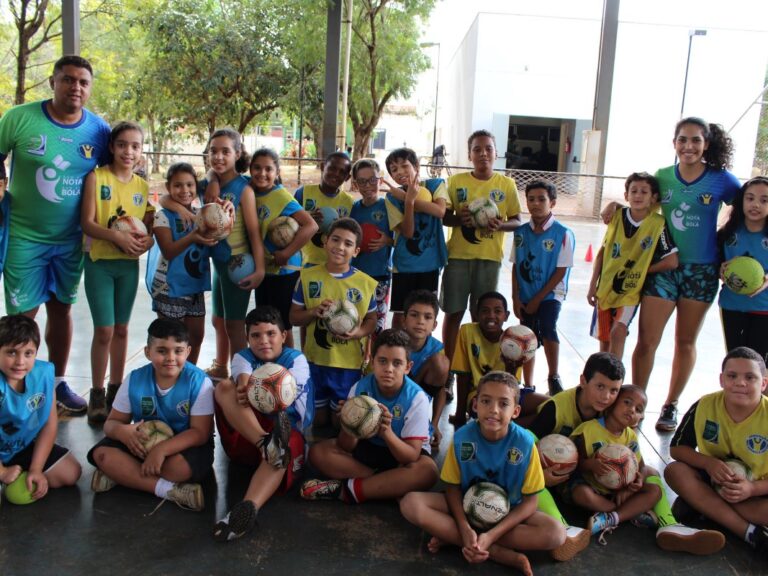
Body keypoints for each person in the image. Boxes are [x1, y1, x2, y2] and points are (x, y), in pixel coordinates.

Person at [602, 118, 741, 432]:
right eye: (682, 140)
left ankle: (671, 404)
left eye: (695, 140)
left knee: (685, 341)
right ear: (674, 143)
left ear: (706, 144)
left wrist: (730, 245)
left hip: (701, 272)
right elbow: (640, 200)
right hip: (664, 269)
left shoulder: (722, 180)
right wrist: (615, 205)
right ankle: (636, 401)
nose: (688, 146)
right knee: (647, 340)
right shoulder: (663, 177)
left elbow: (747, 206)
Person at [0, 55, 111, 414]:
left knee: (61, 309)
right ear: (53, 81)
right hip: (23, 236)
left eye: (83, 82)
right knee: (21, 318)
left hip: (71, 241)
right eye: (68, 79)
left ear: (89, 88)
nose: (75, 87)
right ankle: (15, 390)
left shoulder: (99, 131)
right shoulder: (18, 118)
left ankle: (59, 385)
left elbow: (111, 178)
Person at [400, 371, 565, 575]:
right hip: (466, 506)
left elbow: (531, 502)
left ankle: (461, 541)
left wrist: (492, 534)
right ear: (476, 405)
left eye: (504, 404)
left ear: (516, 411)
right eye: (486, 401)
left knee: (556, 534)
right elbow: (451, 487)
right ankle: (497, 553)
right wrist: (463, 527)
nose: (493, 410)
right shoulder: (462, 438)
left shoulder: (524, 444)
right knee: (410, 504)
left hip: (508, 512)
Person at [163, 129, 266, 381]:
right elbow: (166, 198)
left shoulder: (245, 190)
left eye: (225, 151)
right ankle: (221, 366)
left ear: (237, 154)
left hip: (237, 265)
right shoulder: (206, 185)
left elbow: (254, 233)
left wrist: (260, 269)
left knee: (234, 323)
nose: (218, 157)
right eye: (213, 151)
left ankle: (241, 378)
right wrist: (209, 182)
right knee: (218, 320)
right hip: (218, 265)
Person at [87, 318, 214, 512]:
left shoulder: (199, 382)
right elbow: (110, 424)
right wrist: (123, 432)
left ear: (188, 351)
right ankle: (169, 490)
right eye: (162, 351)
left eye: (178, 351)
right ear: (148, 352)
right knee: (102, 455)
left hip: (182, 447)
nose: (170, 357)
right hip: (140, 445)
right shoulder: (135, 380)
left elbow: (200, 433)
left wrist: (161, 450)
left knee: (179, 468)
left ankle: (122, 474)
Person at [300, 329, 438, 503]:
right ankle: (387, 485)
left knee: (428, 471)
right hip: (369, 449)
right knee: (318, 453)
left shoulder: (416, 398)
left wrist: (386, 432)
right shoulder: (360, 388)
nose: (389, 369)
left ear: (408, 367)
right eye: (382, 361)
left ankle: (346, 491)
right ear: (372, 361)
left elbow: (410, 456)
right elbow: (346, 446)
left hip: (401, 454)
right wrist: (349, 424)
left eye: (397, 363)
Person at [212, 306, 312, 542]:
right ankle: (264, 444)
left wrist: (255, 391)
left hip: (286, 427)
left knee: (281, 447)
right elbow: (243, 380)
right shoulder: (242, 357)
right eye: (255, 335)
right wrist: (245, 387)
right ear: (247, 339)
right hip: (250, 433)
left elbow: (282, 396)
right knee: (224, 387)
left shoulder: (296, 359)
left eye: (270, 334)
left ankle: (245, 511)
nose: (263, 341)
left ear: (284, 336)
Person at [80, 121, 155, 422]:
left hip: (127, 266)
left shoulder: (142, 186)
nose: (128, 151)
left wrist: (148, 239)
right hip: (99, 262)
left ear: (140, 151)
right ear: (112, 146)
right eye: (122, 144)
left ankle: (115, 389)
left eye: (135, 146)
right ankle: (97, 392)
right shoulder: (96, 178)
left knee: (122, 329)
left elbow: (150, 225)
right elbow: (87, 223)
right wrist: (116, 236)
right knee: (104, 330)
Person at [665, 346, 768, 554]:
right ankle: (748, 532)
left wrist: (752, 489)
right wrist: (708, 463)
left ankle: (706, 507)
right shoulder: (705, 405)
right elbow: (677, 448)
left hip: (757, 490)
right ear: (722, 380)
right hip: (712, 481)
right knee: (674, 471)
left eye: (750, 377)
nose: (740, 383)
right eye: (732, 376)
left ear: (764, 383)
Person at [526, 351, 625, 560]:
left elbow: (626, 441)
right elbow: (528, 442)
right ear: (583, 381)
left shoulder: (611, 410)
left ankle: (667, 521)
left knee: (649, 473)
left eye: (614, 390)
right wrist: (542, 473)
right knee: (530, 478)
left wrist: (629, 474)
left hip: (594, 472)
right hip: (559, 474)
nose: (606, 396)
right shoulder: (556, 408)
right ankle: (566, 527)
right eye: (600, 387)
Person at [441, 130, 522, 373]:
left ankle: (477, 369)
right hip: (458, 258)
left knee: (482, 319)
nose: (483, 153)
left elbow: (518, 220)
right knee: (453, 314)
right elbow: (444, 217)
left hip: (489, 259)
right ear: (469, 155)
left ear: (496, 154)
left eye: (488, 148)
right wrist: (459, 219)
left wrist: (501, 224)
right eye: (477, 149)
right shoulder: (456, 182)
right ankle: (449, 370)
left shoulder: (506, 185)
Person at [289, 218, 377, 427]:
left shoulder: (365, 283)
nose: (340, 247)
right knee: (318, 423)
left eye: (348, 244)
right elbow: (293, 317)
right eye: (335, 240)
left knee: (342, 424)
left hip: (348, 366)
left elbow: (372, 320)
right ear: (325, 241)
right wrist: (313, 311)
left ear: (356, 251)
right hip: (316, 363)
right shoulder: (307, 277)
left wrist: (358, 332)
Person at [588, 172, 678, 361]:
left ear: (653, 198)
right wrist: (592, 285)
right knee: (603, 339)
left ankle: (615, 376)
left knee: (618, 331)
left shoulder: (658, 224)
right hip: (605, 287)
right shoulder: (616, 217)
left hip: (630, 290)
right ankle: (602, 377)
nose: (638, 195)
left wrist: (642, 270)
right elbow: (603, 253)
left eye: (644, 192)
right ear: (626, 195)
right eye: (634, 191)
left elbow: (672, 261)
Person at [0, 315, 81, 501]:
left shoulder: (43, 374)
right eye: (11, 352)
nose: (20, 361)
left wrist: (36, 469)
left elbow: (49, 424)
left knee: (70, 473)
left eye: (28, 353)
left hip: (19, 444)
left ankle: (21, 471)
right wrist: (2, 472)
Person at [147, 163, 219, 365]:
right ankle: (167, 382)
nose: (185, 190)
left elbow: (213, 172)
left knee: (195, 338)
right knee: (170, 342)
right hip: (169, 287)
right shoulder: (163, 216)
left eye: (190, 185)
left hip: (194, 287)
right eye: (178, 186)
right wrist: (194, 236)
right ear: (169, 188)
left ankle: (188, 377)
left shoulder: (202, 213)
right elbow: (169, 251)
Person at [570, 385, 661, 541]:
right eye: (627, 402)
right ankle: (630, 512)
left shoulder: (631, 437)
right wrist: (590, 465)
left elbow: (641, 467)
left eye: (638, 409)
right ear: (612, 403)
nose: (632, 410)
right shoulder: (589, 430)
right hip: (592, 487)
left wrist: (635, 485)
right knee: (580, 494)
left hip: (619, 492)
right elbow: (574, 463)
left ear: (640, 418)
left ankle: (610, 518)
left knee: (655, 491)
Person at [511, 180, 575, 394]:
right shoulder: (520, 232)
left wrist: (538, 299)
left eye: (541, 199)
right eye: (531, 199)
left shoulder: (562, 233)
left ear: (553, 203)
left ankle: (553, 377)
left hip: (550, 295)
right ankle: (528, 384)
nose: (535, 204)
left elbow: (561, 271)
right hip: (526, 294)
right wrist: (515, 297)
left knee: (548, 327)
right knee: (527, 336)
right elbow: (515, 266)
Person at [251, 148, 318, 349]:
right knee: (266, 321)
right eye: (257, 168)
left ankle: (288, 367)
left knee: (281, 324)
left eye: (268, 169)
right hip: (265, 269)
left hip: (284, 270)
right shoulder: (250, 192)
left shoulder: (281, 197)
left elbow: (311, 225)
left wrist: (287, 253)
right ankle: (271, 363)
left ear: (277, 172)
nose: (262, 173)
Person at [383, 147, 447, 329]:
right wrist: (408, 202)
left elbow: (440, 211)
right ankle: (395, 349)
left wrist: (406, 196)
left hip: (430, 264)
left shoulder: (435, 185)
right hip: (405, 265)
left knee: (426, 313)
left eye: (405, 166)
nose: (400, 172)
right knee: (401, 314)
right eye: (394, 170)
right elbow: (408, 232)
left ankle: (423, 351)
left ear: (417, 166)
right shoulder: (391, 198)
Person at [716, 177, 768, 363]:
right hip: (732, 305)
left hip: (764, 308)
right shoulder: (727, 233)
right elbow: (715, 263)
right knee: (736, 360)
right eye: (750, 198)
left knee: (760, 366)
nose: (755, 205)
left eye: (764, 200)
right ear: (741, 200)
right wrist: (720, 269)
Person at [350, 159, 394, 341]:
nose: (368, 185)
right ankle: (359, 362)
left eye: (372, 180)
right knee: (356, 322)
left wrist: (388, 240)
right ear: (355, 184)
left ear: (381, 181)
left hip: (380, 276)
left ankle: (374, 363)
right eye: (362, 181)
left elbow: (403, 238)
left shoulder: (388, 207)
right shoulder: (354, 209)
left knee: (377, 327)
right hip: (356, 275)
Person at [401, 289, 450, 448]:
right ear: (404, 320)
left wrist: (435, 423)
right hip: (392, 396)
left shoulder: (437, 348)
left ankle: (423, 420)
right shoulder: (394, 342)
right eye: (414, 315)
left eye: (427, 317)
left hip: (416, 401)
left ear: (435, 324)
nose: (420, 321)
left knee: (441, 363)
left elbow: (441, 390)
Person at [295, 151, 354, 268]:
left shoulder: (349, 202)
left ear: (347, 177)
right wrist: (307, 219)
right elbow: (290, 222)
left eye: (342, 172)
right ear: (323, 167)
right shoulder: (303, 193)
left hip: (334, 265)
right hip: (304, 262)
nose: (336, 174)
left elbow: (352, 236)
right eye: (332, 168)